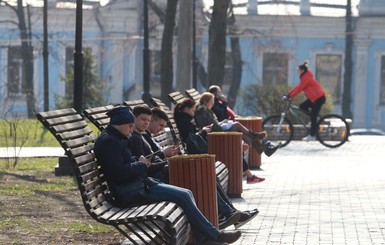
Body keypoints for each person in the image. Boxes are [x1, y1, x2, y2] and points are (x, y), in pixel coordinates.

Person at [93, 105, 241, 245]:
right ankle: (214, 236)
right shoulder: (109, 142)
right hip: (132, 193)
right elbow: (119, 173)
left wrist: (139, 163)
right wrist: (142, 164)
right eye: (130, 126)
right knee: (184, 195)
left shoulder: (116, 137)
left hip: (140, 185)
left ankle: (205, 238)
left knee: (187, 192)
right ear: (119, 123)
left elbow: (124, 166)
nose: (132, 130)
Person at [129, 105, 258, 229]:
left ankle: (230, 212)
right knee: (201, 175)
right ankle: (227, 213)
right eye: (144, 120)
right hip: (158, 177)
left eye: (148, 120)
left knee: (207, 173)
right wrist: (165, 157)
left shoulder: (143, 135)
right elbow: (147, 166)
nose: (146, 123)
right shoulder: (137, 138)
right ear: (133, 118)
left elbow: (152, 159)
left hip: (163, 170)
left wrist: (167, 156)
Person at [174, 98, 266, 184]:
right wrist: (203, 131)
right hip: (198, 150)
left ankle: (255, 147)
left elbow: (193, 136)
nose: (194, 112)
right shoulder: (185, 121)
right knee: (234, 149)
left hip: (200, 146)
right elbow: (191, 139)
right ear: (186, 109)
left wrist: (203, 130)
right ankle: (255, 148)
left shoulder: (185, 120)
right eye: (193, 110)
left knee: (234, 147)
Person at [194, 92, 280, 157]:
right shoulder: (203, 110)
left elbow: (212, 124)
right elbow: (212, 125)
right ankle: (258, 141)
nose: (213, 104)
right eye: (211, 102)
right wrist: (221, 124)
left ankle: (261, 146)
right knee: (237, 125)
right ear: (205, 102)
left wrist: (222, 122)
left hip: (215, 132)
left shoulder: (204, 109)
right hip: (214, 134)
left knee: (241, 133)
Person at [287, 61, 326, 141]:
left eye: (298, 70)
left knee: (313, 117)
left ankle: (312, 136)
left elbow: (300, 88)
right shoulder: (304, 77)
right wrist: (289, 94)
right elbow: (298, 87)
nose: (297, 72)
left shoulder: (306, 78)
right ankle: (314, 120)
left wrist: (291, 96)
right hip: (314, 98)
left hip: (319, 98)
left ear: (302, 70)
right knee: (302, 106)